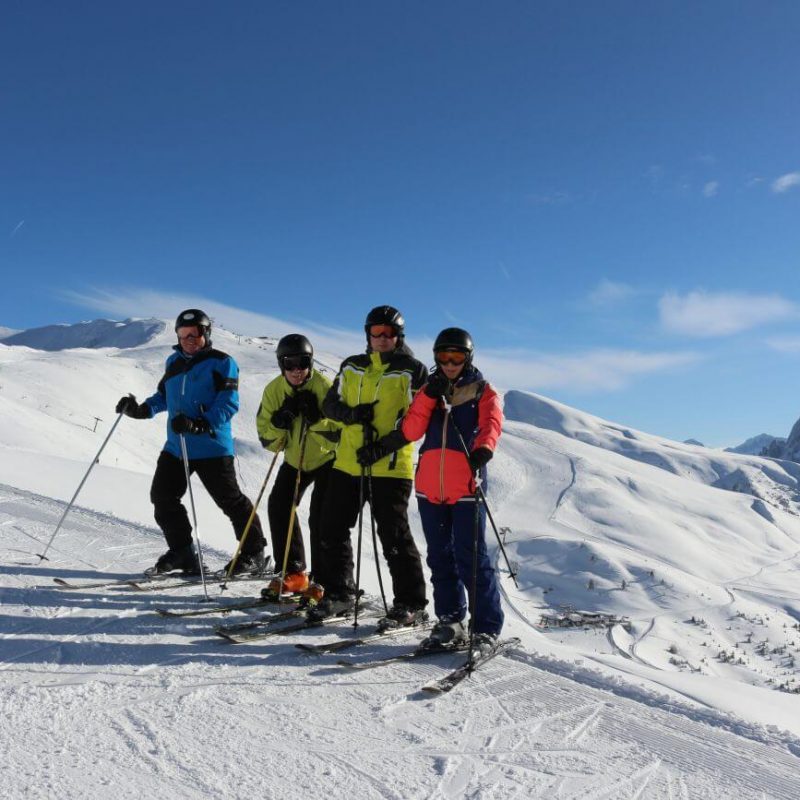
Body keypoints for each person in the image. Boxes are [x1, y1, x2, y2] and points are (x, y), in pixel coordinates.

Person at [115, 308, 267, 576]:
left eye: (194, 333)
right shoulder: (173, 362)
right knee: (162, 497)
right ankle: (183, 551)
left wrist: (200, 423)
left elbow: (228, 403)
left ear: (205, 334)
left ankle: (254, 554)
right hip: (177, 446)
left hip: (211, 446)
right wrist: (139, 409)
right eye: (183, 334)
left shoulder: (223, 362)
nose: (188, 339)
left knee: (230, 502)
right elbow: (163, 396)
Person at [308, 305, 428, 628]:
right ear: (368, 335)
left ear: (398, 337)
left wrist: (381, 447)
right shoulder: (351, 366)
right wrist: (350, 414)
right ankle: (340, 593)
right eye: (376, 332)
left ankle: (411, 603)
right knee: (330, 529)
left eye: (389, 333)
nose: (382, 338)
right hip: (347, 463)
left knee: (394, 537)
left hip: (390, 467)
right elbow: (330, 404)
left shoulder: (413, 370)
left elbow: (418, 420)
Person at [399, 327, 504, 655]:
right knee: (439, 556)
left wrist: (484, 448)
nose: (449, 363)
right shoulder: (429, 390)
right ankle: (450, 621)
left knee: (471, 557)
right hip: (430, 486)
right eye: (443, 357)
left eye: (456, 357)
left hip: (466, 485)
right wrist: (430, 394)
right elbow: (411, 430)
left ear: (467, 357)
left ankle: (485, 627)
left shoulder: (482, 390)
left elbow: (491, 424)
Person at [255, 334, 339, 598]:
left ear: (310, 362)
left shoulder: (325, 386)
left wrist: (317, 419)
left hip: (328, 459)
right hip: (295, 460)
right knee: (279, 506)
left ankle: (323, 580)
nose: (296, 370)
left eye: (302, 363)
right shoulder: (274, 390)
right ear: (281, 364)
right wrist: (281, 421)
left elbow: (343, 431)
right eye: (289, 364)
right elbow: (268, 440)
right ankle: (293, 573)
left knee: (321, 516)